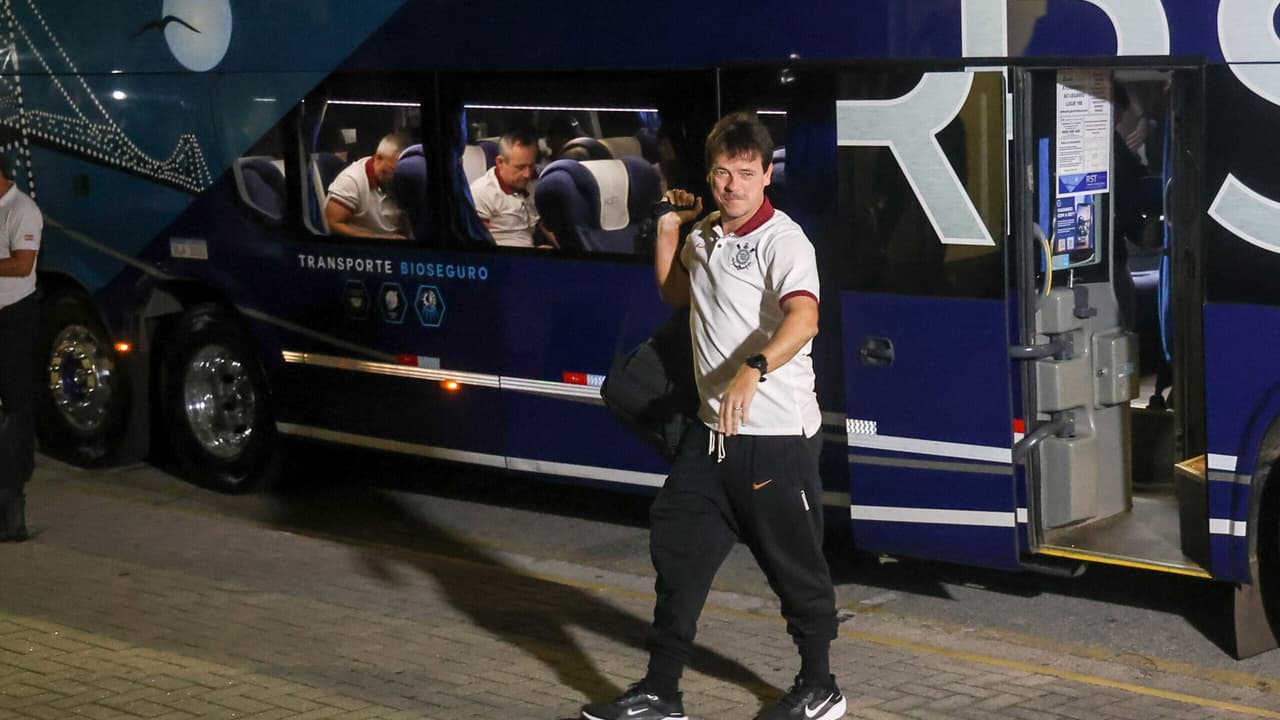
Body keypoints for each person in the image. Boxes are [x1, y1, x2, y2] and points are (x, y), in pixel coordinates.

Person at [581, 113, 843, 720]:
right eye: (723, 173)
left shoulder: (785, 240)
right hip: (712, 436)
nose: (732, 185)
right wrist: (670, 225)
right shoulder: (705, 235)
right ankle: (661, 691)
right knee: (678, 555)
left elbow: (805, 319)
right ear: (711, 173)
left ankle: (820, 685)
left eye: (745, 174)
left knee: (794, 568)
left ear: (766, 173)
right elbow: (677, 293)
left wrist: (755, 366)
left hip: (775, 438)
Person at [0, 152, 42, 542]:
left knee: (16, 408)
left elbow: (23, 264)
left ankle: (12, 508)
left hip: (13, 319)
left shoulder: (21, 209)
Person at [469, 129, 556, 248]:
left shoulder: (535, 183)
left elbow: (544, 223)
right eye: (520, 167)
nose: (527, 174)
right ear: (500, 162)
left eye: (531, 166)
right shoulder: (482, 192)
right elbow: (477, 245)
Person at [325, 133, 411, 239]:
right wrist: (380, 238)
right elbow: (333, 223)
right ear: (379, 158)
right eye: (393, 170)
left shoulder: (403, 177)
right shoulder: (351, 180)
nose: (396, 176)